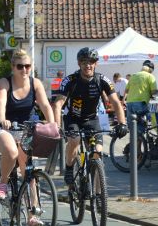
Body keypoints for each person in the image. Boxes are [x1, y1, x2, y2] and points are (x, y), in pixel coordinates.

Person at [0, 49, 55, 226]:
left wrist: (52, 125)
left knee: (29, 173)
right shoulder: (5, 82)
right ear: (13, 67)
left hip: (25, 130)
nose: (24, 70)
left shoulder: (36, 84)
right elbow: (1, 102)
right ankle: (3, 184)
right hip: (3, 129)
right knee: (11, 152)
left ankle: (32, 216)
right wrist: (3, 119)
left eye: (27, 66)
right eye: (20, 66)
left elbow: (45, 105)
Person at [53, 48, 127, 186]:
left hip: (91, 119)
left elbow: (116, 102)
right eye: (84, 62)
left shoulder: (102, 80)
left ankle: (99, 197)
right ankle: (69, 167)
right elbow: (58, 104)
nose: (88, 65)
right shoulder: (70, 80)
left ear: (96, 63)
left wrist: (122, 123)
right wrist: (56, 126)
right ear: (79, 63)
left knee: (97, 153)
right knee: (74, 140)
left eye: (91, 61)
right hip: (73, 118)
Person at [124, 60, 158, 131]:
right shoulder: (150, 76)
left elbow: (127, 90)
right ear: (150, 70)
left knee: (132, 127)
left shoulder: (134, 75)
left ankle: (133, 141)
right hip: (140, 103)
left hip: (129, 103)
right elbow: (153, 92)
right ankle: (142, 140)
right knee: (142, 126)